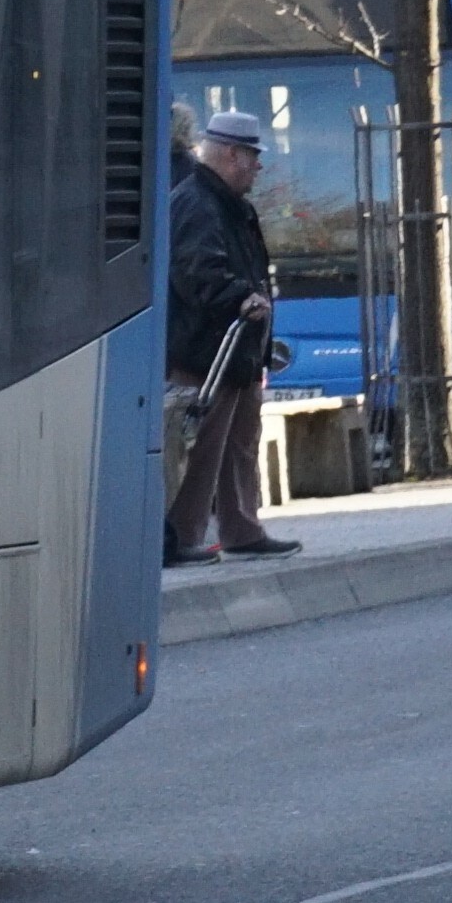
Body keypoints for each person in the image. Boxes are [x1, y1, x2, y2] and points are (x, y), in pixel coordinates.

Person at [166, 106, 296, 565]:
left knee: (239, 444)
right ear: (231, 155)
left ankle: (241, 530)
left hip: (234, 349)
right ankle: (180, 536)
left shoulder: (224, 202)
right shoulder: (197, 203)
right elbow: (197, 269)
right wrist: (240, 297)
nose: (258, 166)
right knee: (201, 447)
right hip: (207, 349)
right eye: (253, 156)